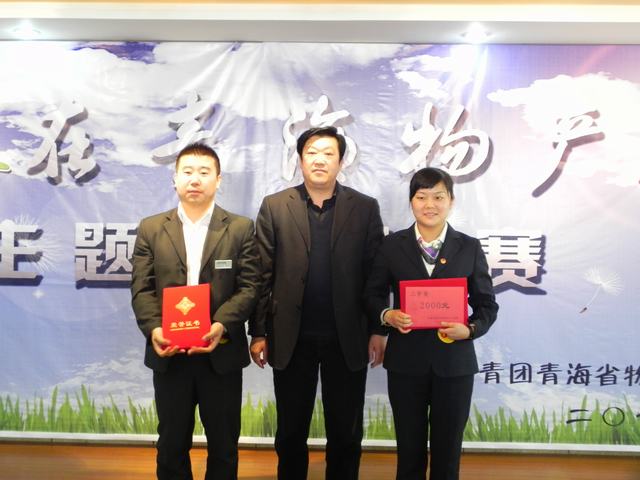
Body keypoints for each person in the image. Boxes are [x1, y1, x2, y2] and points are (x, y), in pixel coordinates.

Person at [249, 126, 386, 480]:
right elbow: (262, 274)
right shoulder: (275, 206)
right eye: (311, 152)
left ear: (341, 161)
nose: (319, 160)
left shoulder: (364, 208)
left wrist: (378, 329)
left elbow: (376, 275)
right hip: (291, 336)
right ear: (300, 160)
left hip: (348, 336)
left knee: (346, 432)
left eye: (328, 153)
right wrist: (258, 332)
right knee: (290, 431)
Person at [131, 143, 261, 480]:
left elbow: (249, 287)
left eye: (204, 172)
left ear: (218, 180)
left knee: (224, 444)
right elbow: (142, 288)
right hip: (169, 351)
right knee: (171, 443)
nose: (195, 179)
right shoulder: (151, 228)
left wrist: (221, 324)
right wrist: (155, 329)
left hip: (221, 352)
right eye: (187, 172)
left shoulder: (240, 228)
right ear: (174, 178)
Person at [363, 167, 498, 480]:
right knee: (409, 449)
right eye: (422, 197)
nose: (430, 205)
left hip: (454, 364)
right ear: (412, 202)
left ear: (451, 201)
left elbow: (487, 305)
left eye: (438, 197)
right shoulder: (391, 245)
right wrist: (387, 315)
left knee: (447, 452)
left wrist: (470, 329)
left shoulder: (469, 246)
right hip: (406, 363)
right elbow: (371, 294)